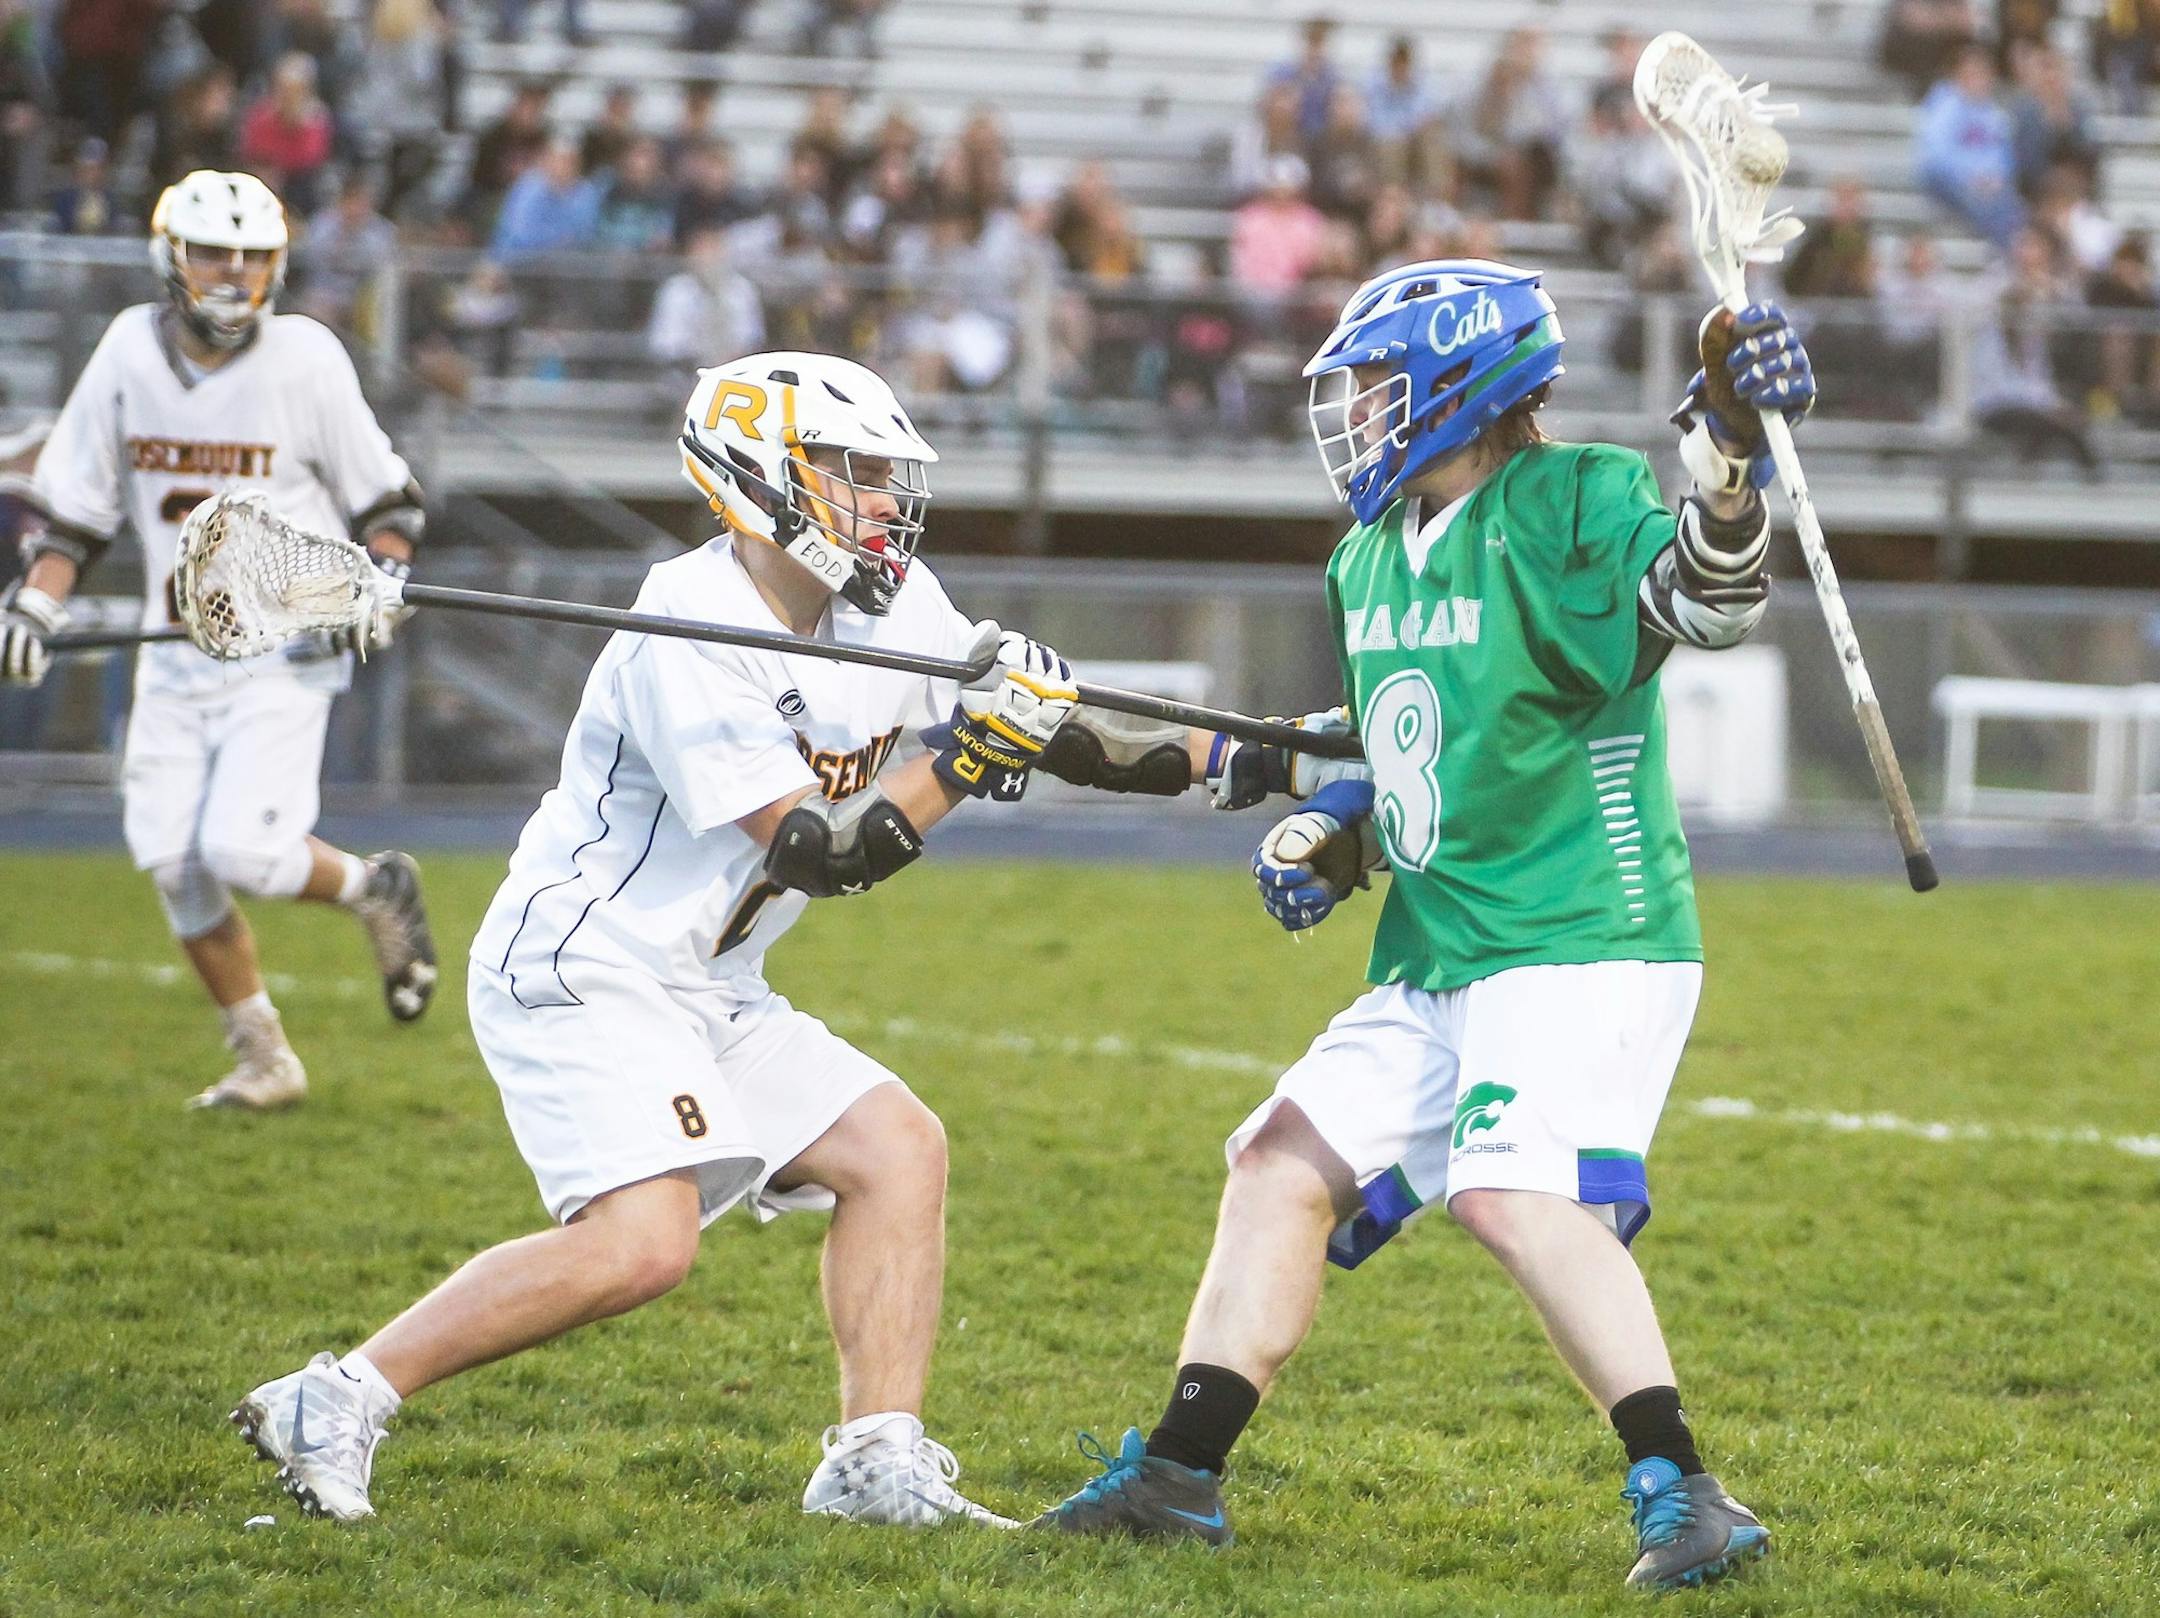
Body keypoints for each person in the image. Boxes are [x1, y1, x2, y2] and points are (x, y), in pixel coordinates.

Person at [1035, 258, 1817, 1593]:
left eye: (1378, 384)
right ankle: (1178, 1474)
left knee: (1512, 1193)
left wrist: (1731, 459)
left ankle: (1688, 1492)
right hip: (1445, 944)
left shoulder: (1572, 497)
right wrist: (1335, 831)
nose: (1354, 413)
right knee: (1277, 1162)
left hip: (1583, 927)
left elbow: (1706, 601)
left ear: (1463, 384)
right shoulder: (1363, 556)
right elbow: (1404, 748)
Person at [224, 352, 1085, 1526]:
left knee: (898, 1148)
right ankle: (337, 1397)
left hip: (709, 980)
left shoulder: (895, 603)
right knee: (642, 1246)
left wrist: (1250, 760)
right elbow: (818, 856)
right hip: (584, 967)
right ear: (765, 479)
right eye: (856, 474)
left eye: (890, 475)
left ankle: (874, 1464)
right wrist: (970, 761)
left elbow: (1052, 727)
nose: (886, 499)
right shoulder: (688, 623)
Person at [0, 170, 437, 1110]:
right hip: (175, 655)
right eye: (212, 252)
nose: (233, 273)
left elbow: (388, 502)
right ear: (172, 257)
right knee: (174, 864)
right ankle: (265, 1057)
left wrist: (382, 581)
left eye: (252, 256)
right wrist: (37, 604)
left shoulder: (308, 359)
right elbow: (75, 514)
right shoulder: (126, 351)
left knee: (244, 851)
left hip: (285, 649)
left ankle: (375, 888)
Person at [1915, 45, 2024, 246]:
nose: (1978, 80)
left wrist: (1995, 178)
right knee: (1992, 209)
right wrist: (1972, 177)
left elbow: (2004, 156)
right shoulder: (1945, 105)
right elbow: (1936, 155)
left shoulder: (1993, 113)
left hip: (1988, 183)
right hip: (1949, 181)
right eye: (1972, 74)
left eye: (1983, 74)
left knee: (2018, 210)